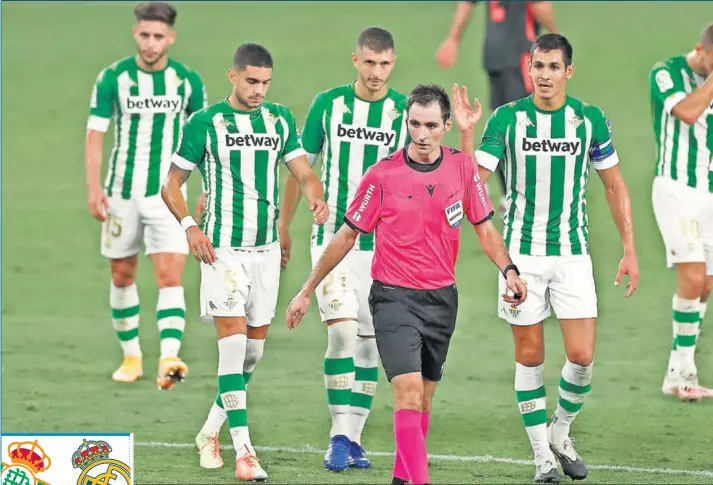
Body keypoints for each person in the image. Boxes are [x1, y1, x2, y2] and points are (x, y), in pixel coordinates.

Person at [286, 83, 527, 485]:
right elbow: (345, 235)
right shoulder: (382, 175)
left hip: (441, 300)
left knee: (424, 400)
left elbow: (484, 228)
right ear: (406, 123)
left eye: (431, 125)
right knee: (409, 393)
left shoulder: (462, 168)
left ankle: (402, 478)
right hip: (393, 299)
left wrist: (510, 270)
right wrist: (308, 288)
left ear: (445, 126)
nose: (421, 133)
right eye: (414, 123)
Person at [459, 33, 640, 483]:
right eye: (537, 67)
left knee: (581, 357)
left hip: (573, 255)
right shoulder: (506, 120)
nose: (544, 75)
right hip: (521, 257)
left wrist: (630, 249)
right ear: (529, 70)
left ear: (568, 72)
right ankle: (542, 457)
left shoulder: (589, 120)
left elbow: (614, 185)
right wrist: (466, 134)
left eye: (553, 67)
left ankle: (559, 431)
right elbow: (473, 184)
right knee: (530, 355)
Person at [160, 43, 328, 481]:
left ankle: (209, 432)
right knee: (232, 350)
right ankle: (245, 453)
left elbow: (303, 171)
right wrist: (190, 229)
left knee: (251, 354)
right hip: (222, 252)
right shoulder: (204, 124)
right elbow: (172, 185)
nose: (258, 90)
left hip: (266, 252)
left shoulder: (279, 120)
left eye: (265, 83)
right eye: (251, 81)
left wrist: (316, 197)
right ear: (232, 76)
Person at [278, 26, 408, 472]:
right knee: (341, 333)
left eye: (385, 64)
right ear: (356, 60)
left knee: (372, 345)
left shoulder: (403, 112)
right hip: (332, 239)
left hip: (384, 249)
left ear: (393, 63)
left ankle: (353, 439)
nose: (376, 72)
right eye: (369, 63)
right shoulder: (327, 105)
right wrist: (285, 224)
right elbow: (301, 169)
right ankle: (337, 434)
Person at [84, 2, 207, 389]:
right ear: (135, 33)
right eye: (145, 35)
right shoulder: (112, 79)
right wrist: (93, 186)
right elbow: (96, 134)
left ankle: (170, 356)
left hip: (168, 195)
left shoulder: (188, 82)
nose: (151, 43)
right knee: (122, 274)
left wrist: (205, 190)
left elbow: (201, 139)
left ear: (170, 37)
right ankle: (132, 355)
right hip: (121, 192)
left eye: (158, 36)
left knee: (170, 274)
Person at [436, 0, 558, 212]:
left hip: (494, 54)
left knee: (503, 123)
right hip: (519, 53)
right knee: (526, 125)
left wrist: (452, 39)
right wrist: (557, 37)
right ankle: (526, 195)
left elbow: (467, 4)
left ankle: (508, 195)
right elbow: (539, 7)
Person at [650, 23, 713, 401]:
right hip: (675, 189)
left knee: (705, 282)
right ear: (700, 50)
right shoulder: (666, 72)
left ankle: (679, 371)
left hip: (709, 191)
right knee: (691, 276)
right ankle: (682, 373)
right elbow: (688, 112)